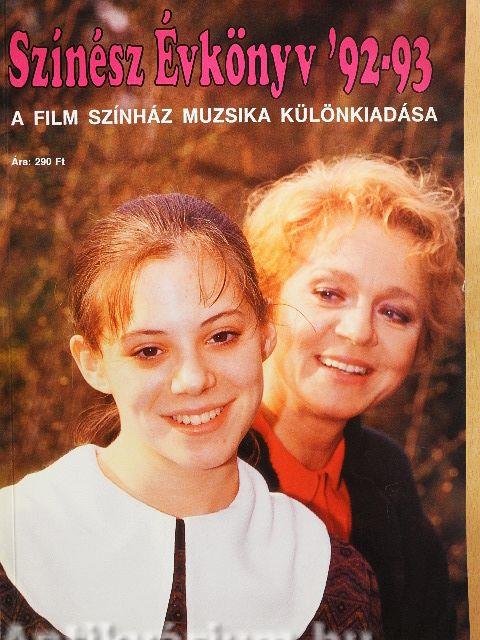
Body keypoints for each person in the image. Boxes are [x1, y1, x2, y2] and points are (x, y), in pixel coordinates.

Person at [0, 194, 382, 640]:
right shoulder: (15, 540)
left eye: (222, 336)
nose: (194, 379)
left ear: (265, 335)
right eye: (149, 350)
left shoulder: (333, 578)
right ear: (93, 363)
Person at [241, 157, 464, 640]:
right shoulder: (189, 467)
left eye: (395, 313)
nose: (359, 331)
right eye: (329, 293)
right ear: (265, 298)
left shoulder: (388, 482)